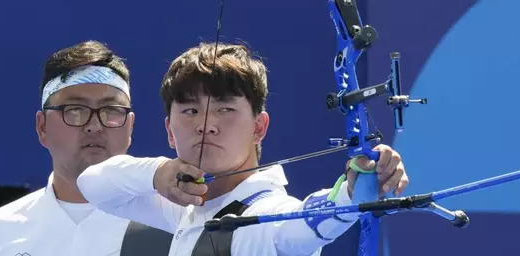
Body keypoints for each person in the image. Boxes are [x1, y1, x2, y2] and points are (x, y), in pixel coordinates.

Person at [77, 42, 409, 256]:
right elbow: (92, 183)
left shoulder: (265, 214)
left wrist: (350, 194)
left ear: (259, 127)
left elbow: (299, 225)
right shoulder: (187, 207)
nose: (206, 124)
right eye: (190, 111)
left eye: (225, 109)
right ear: (169, 131)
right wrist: (158, 173)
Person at [0, 40, 173, 256]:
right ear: (42, 127)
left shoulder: (176, 223)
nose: (95, 126)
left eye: (111, 110)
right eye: (75, 110)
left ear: (131, 126)